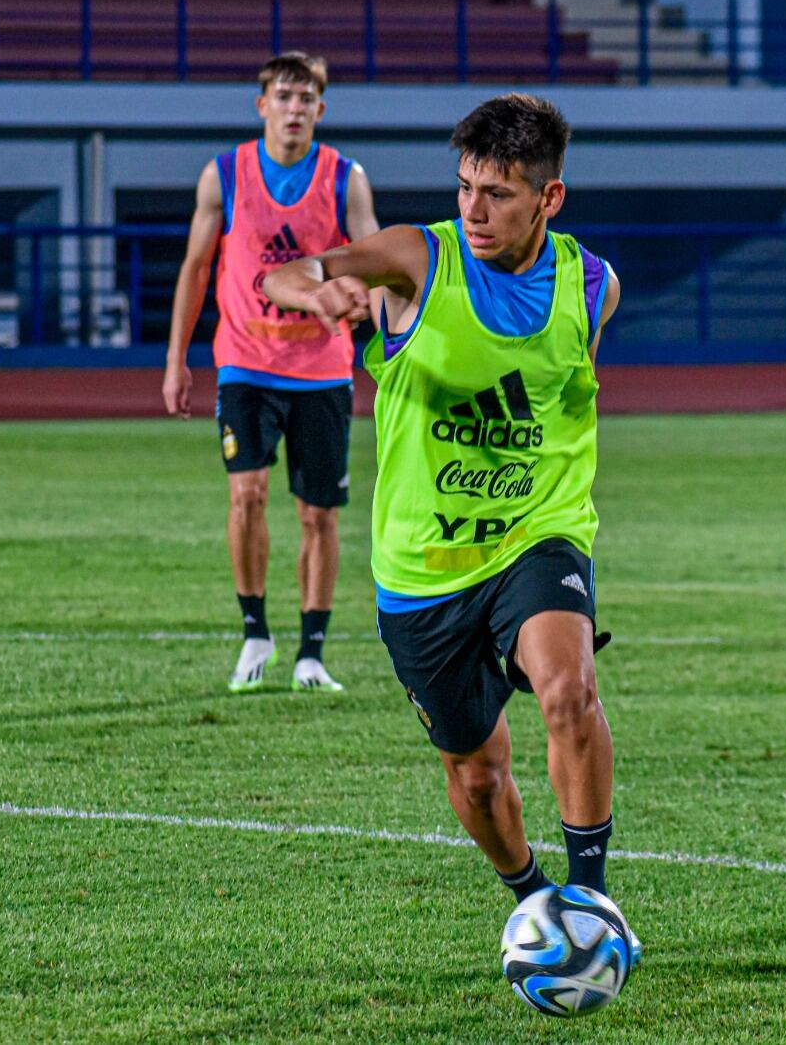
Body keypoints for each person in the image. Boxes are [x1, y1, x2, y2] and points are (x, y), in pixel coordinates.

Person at [263, 95, 636, 930]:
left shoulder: (591, 287)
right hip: (421, 567)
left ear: (550, 198)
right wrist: (317, 295)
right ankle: (535, 902)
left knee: (568, 687)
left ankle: (593, 901)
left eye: (498, 193)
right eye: (465, 185)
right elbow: (290, 272)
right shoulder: (415, 259)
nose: (473, 208)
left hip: (536, 534)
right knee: (476, 773)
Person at [162, 51, 380, 694]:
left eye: (306, 98)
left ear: (320, 109)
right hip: (246, 365)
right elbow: (196, 269)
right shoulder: (225, 175)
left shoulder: (345, 178)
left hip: (321, 369)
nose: (294, 109)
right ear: (263, 106)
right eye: (283, 97)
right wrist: (177, 359)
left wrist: (360, 295)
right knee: (246, 493)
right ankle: (256, 632)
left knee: (319, 515)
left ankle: (312, 652)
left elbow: (369, 257)